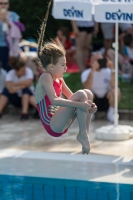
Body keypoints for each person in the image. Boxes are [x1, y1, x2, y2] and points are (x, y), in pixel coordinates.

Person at [35, 0, 97, 155]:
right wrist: (82, 104)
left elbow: (72, 98)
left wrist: (88, 106)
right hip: (52, 124)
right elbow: (55, 100)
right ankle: (82, 135)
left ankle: (84, 134)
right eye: (63, 65)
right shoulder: (45, 77)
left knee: (87, 94)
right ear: (51, 67)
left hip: (61, 121)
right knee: (82, 95)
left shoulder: (58, 79)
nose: (66, 68)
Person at [81, 54, 121, 123]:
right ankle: (90, 114)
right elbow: (87, 87)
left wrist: (112, 69)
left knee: (116, 90)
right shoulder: (86, 73)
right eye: (96, 60)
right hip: (93, 100)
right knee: (86, 92)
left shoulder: (108, 71)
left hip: (107, 100)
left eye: (101, 60)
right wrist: (93, 70)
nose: (99, 62)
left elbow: (114, 85)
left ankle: (111, 114)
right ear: (91, 62)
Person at [0, 0, 23, 71]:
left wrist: (9, 23)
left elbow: (19, 28)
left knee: (10, 67)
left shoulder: (13, 15)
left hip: (11, 46)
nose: (3, 5)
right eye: (1, 3)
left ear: (8, 5)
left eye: (5, 3)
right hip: (1, 45)